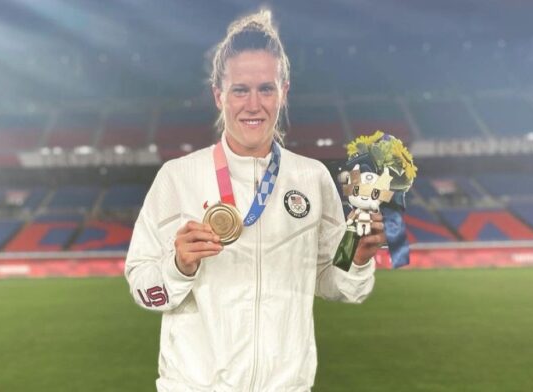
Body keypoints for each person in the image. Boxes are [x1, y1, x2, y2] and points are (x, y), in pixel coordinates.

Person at [125, 9, 385, 391]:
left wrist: (358, 257)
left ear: (284, 91)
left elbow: (335, 281)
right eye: (240, 90)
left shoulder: (312, 178)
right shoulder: (178, 177)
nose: (253, 104)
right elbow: (143, 289)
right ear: (219, 95)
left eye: (266, 88)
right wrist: (179, 266)